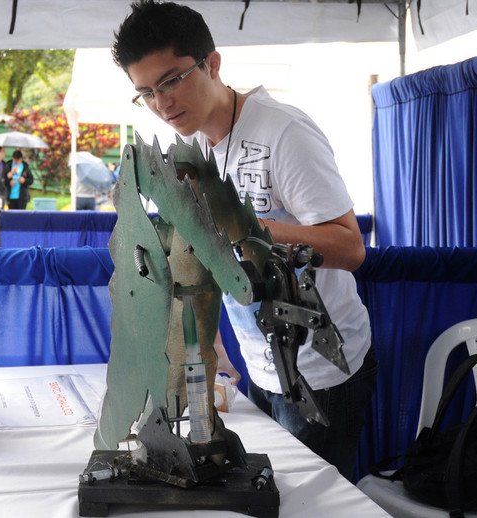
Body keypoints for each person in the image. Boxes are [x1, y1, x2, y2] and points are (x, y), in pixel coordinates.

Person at [112, 1, 376, 480]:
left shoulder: (283, 131)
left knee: (306, 504)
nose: (162, 103)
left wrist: (243, 226)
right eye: (146, 92)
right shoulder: (196, 149)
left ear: (212, 63)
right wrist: (211, 347)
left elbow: (349, 247)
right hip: (259, 366)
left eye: (171, 80)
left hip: (322, 372)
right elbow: (206, 262)